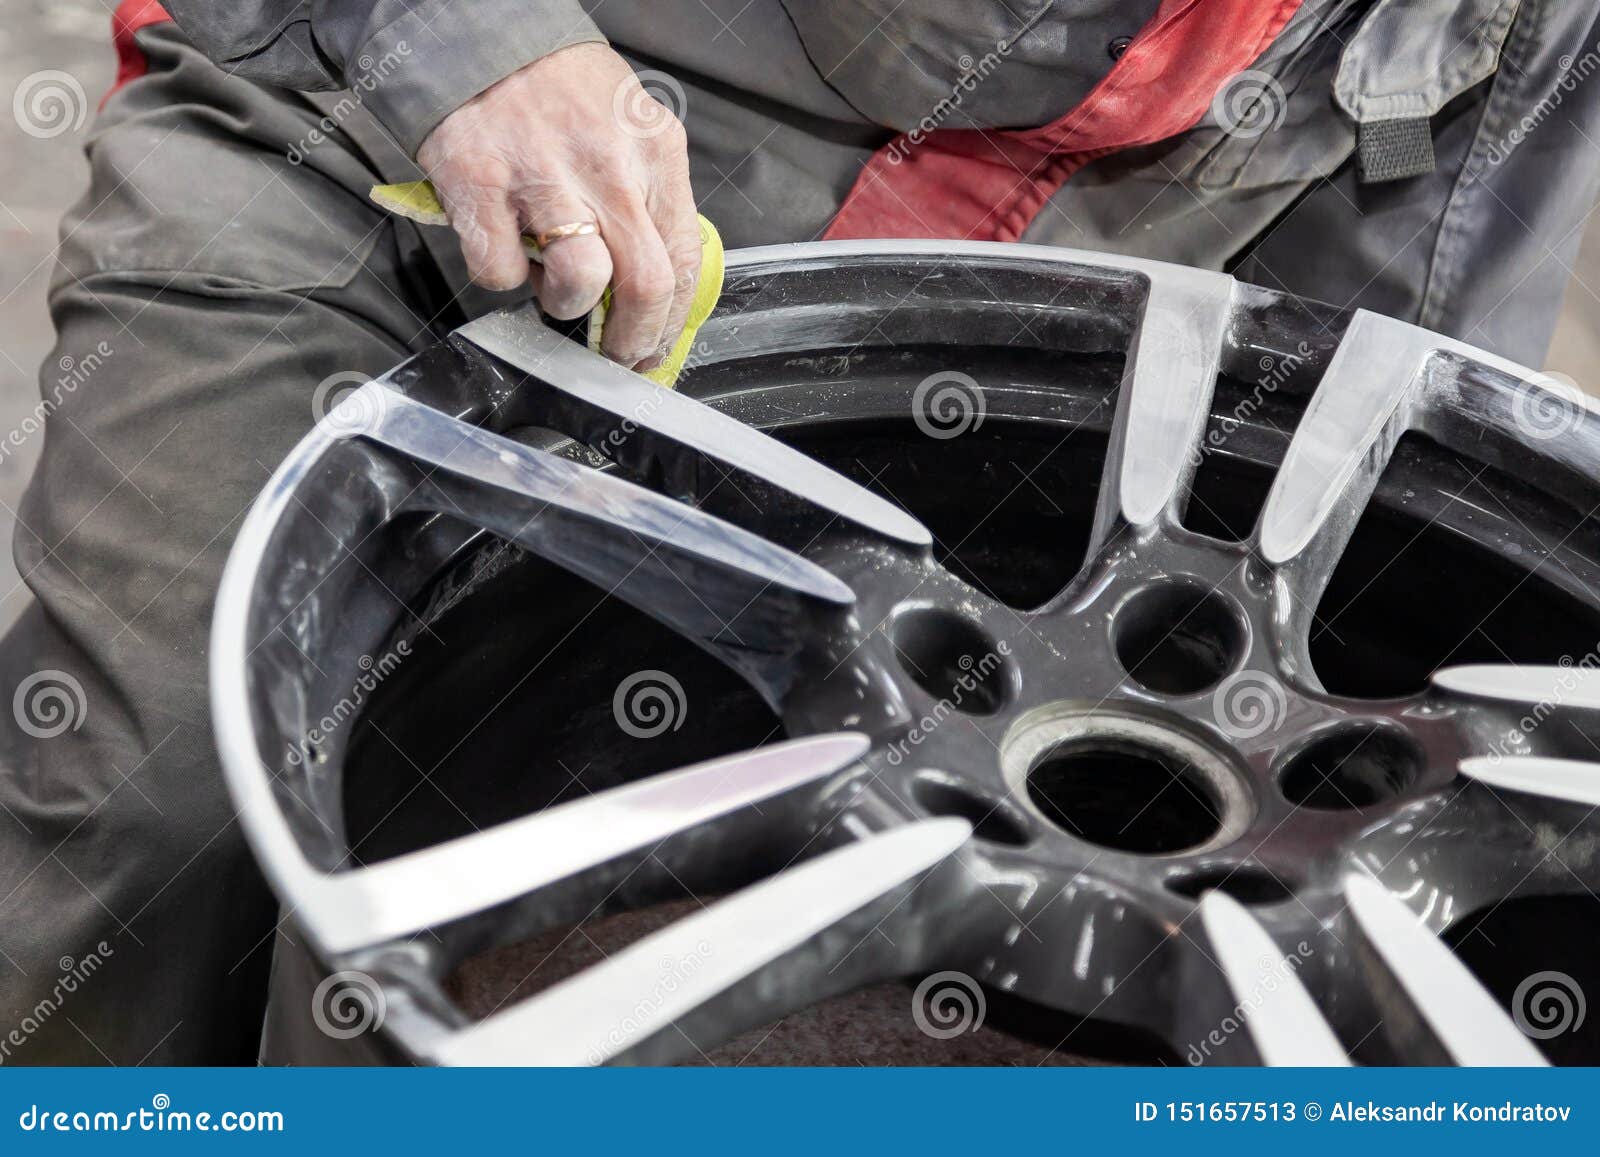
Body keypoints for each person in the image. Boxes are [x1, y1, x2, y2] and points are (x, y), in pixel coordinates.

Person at [3, 0, 1599, 1065]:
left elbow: (1408, 296)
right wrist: (466, 39)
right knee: (164, 816)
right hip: (387, 151)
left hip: (930, 365)